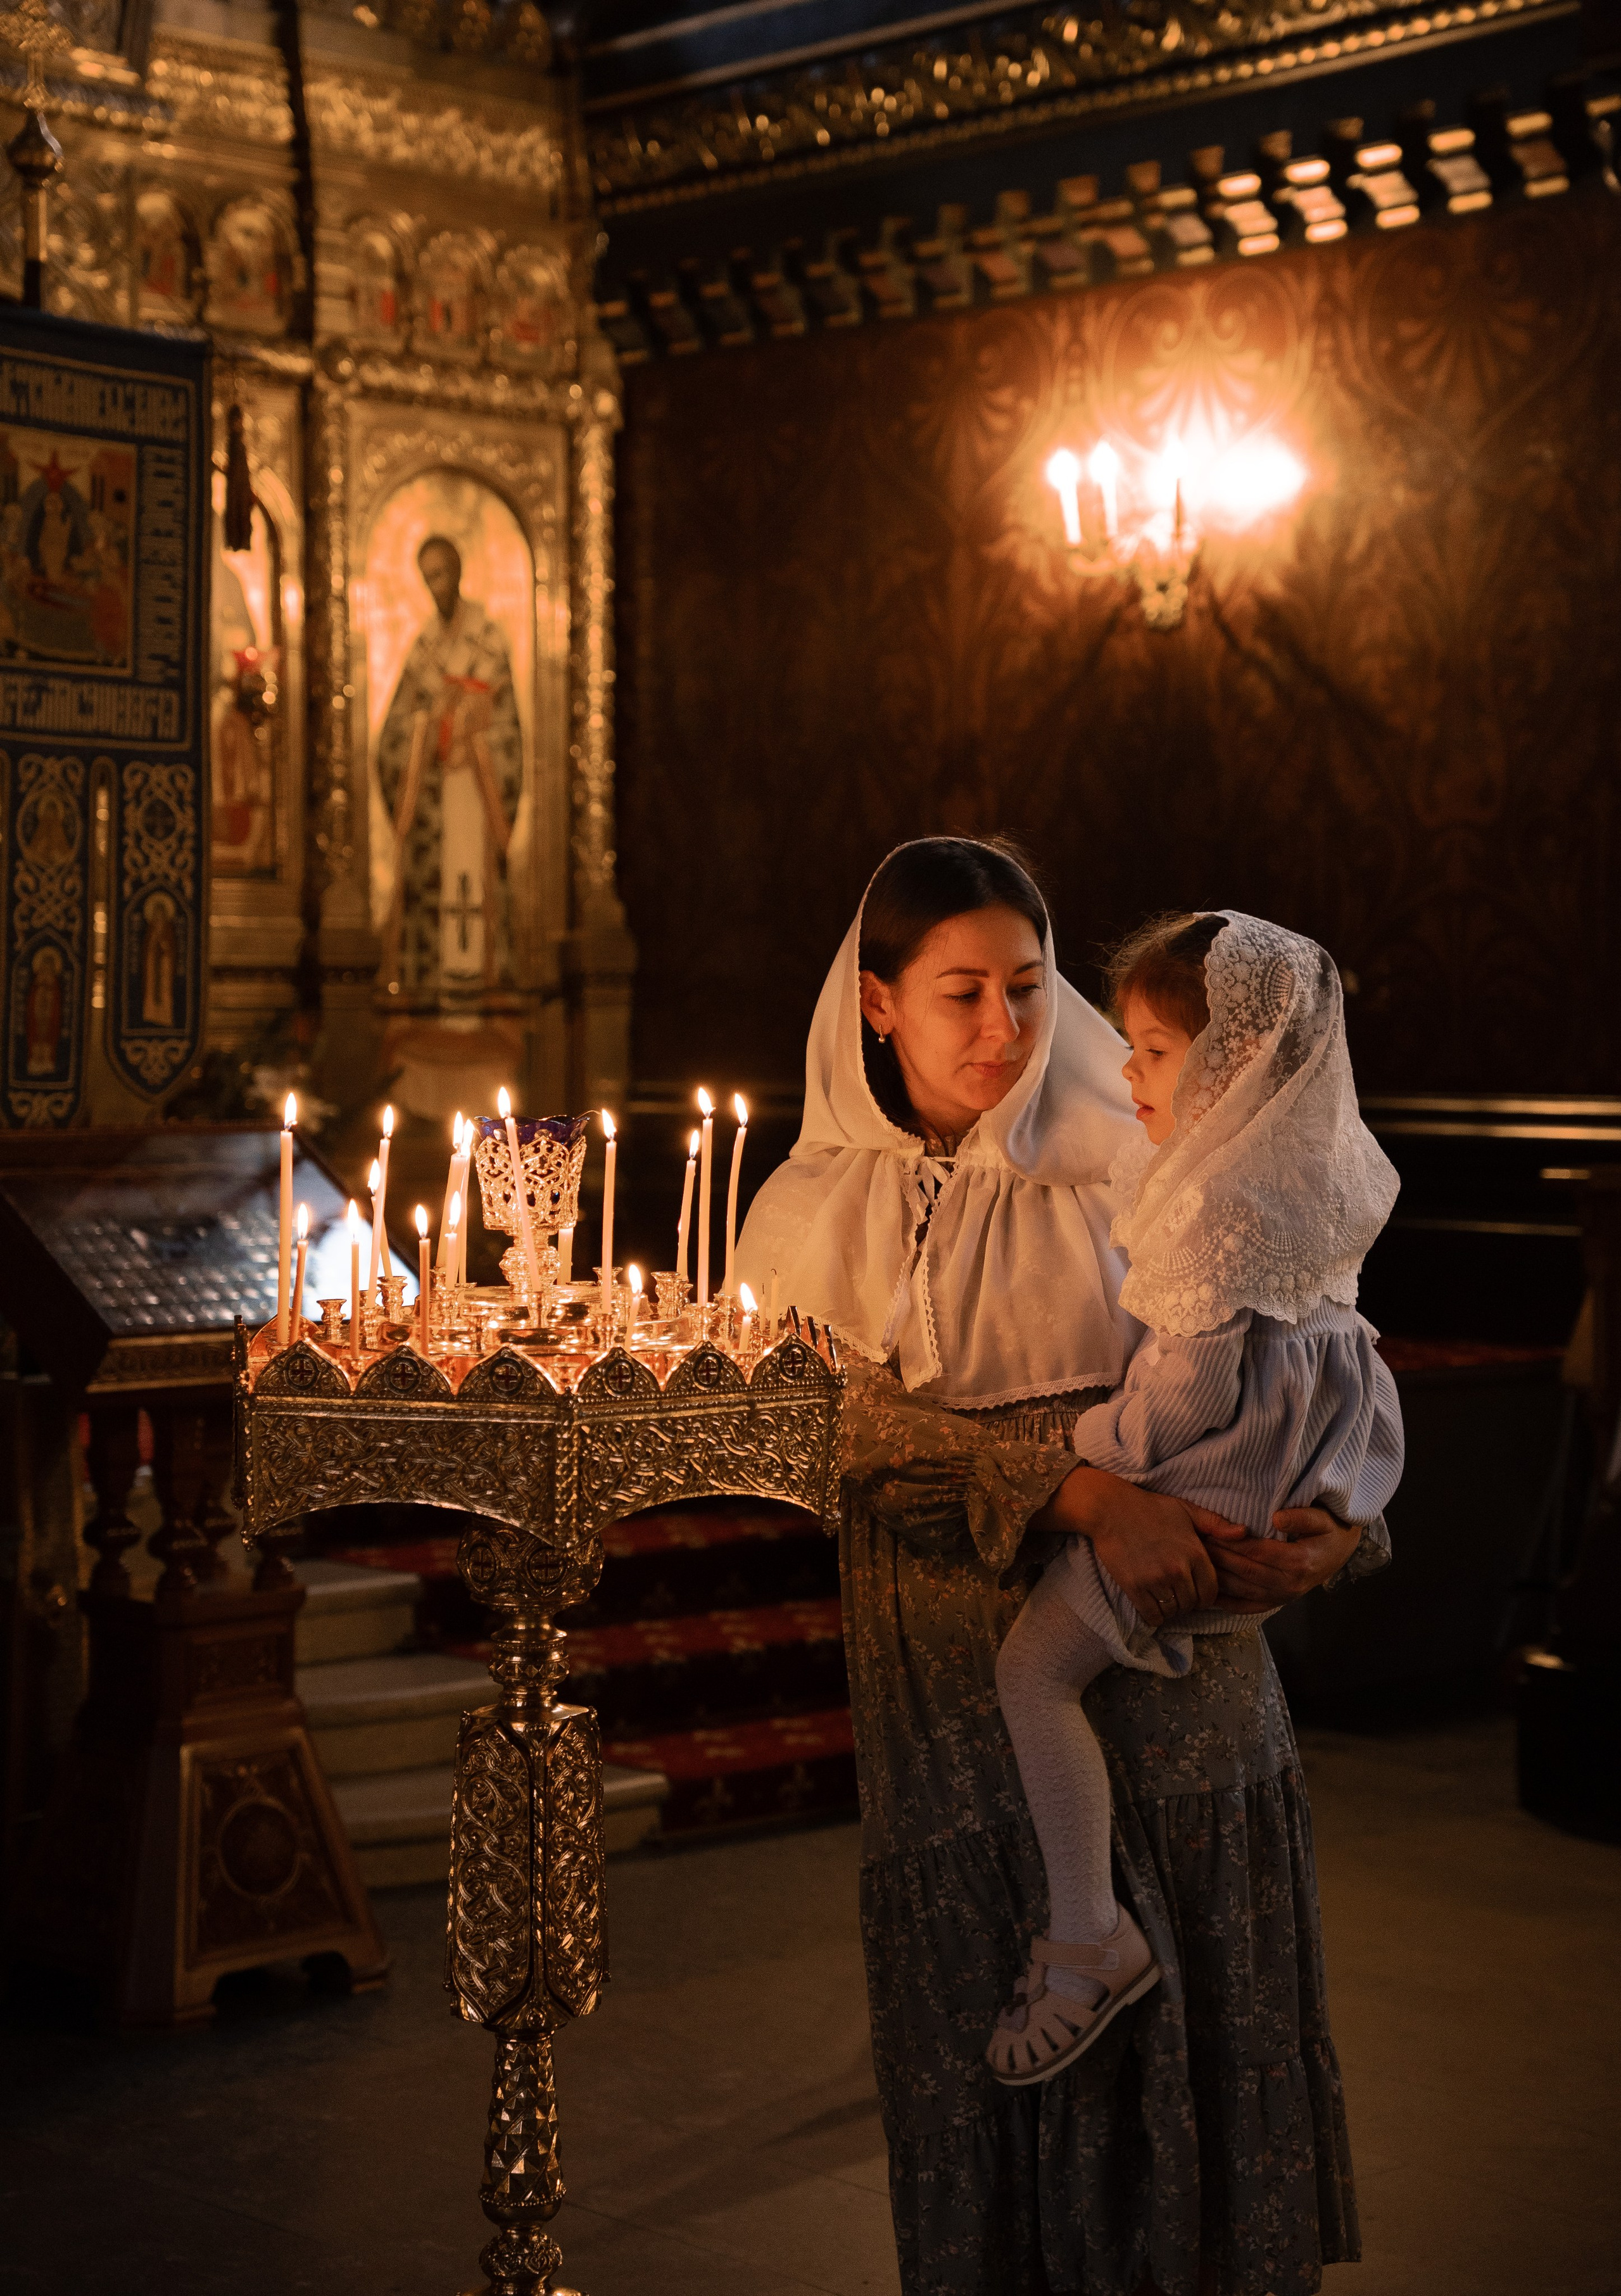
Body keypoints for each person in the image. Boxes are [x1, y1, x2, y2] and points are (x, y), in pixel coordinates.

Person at [737, 837, 1387, 2296]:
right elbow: (836, 1432)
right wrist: (1088, 1493)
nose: (1003, 1026)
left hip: (1181, 1696)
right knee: (997, 2090)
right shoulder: (799, 1209)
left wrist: (1331, 1529)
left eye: (1026, 986)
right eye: (958, 990)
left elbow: (1316, 1377)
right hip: (951, 1714)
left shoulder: (1159, 1160)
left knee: (1196, 2113)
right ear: (877, 1003)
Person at [986, 910, 1404, 2088]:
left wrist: (1087, 1444)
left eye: (1157, 1052)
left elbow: (1179, 1394)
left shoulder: (1213, 1215)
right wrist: (1344, 1501)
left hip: (1186, 1515)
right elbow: (1369, 1391)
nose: (1126, 1074)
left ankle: (1085, 1933)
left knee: (1032, 1672)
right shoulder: (1306, 1202)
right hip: (1263, 1522)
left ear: (1238, 1070)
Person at [374, 534, 522, 996]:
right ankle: (426, 989)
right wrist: (427, 723)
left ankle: (488, 989)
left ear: (458, 572)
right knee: (434, 894)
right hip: (434, 800)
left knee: (475, 893)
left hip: (477, 795)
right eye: (427, 577)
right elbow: (391, 735)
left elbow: (511, 728)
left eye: (440, 573)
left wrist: (473, 731)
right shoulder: (424, 649)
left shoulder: (489, 641)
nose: (435, 585)